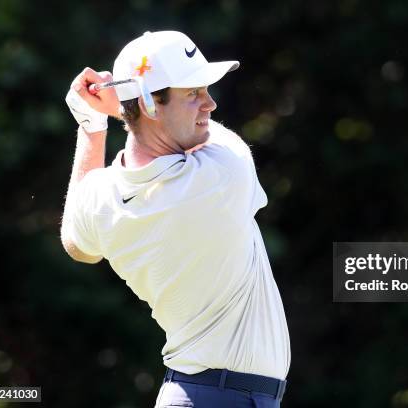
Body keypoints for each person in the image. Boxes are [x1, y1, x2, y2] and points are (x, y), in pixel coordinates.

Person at [61, 30, 290, 407]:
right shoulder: (220, 172)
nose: (210, 104)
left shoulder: (102, 198)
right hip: (224, 397)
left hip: (195, 393)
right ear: (151, 104)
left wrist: (92, 124)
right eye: (193, 93)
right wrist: (120, 105)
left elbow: (77, 245)